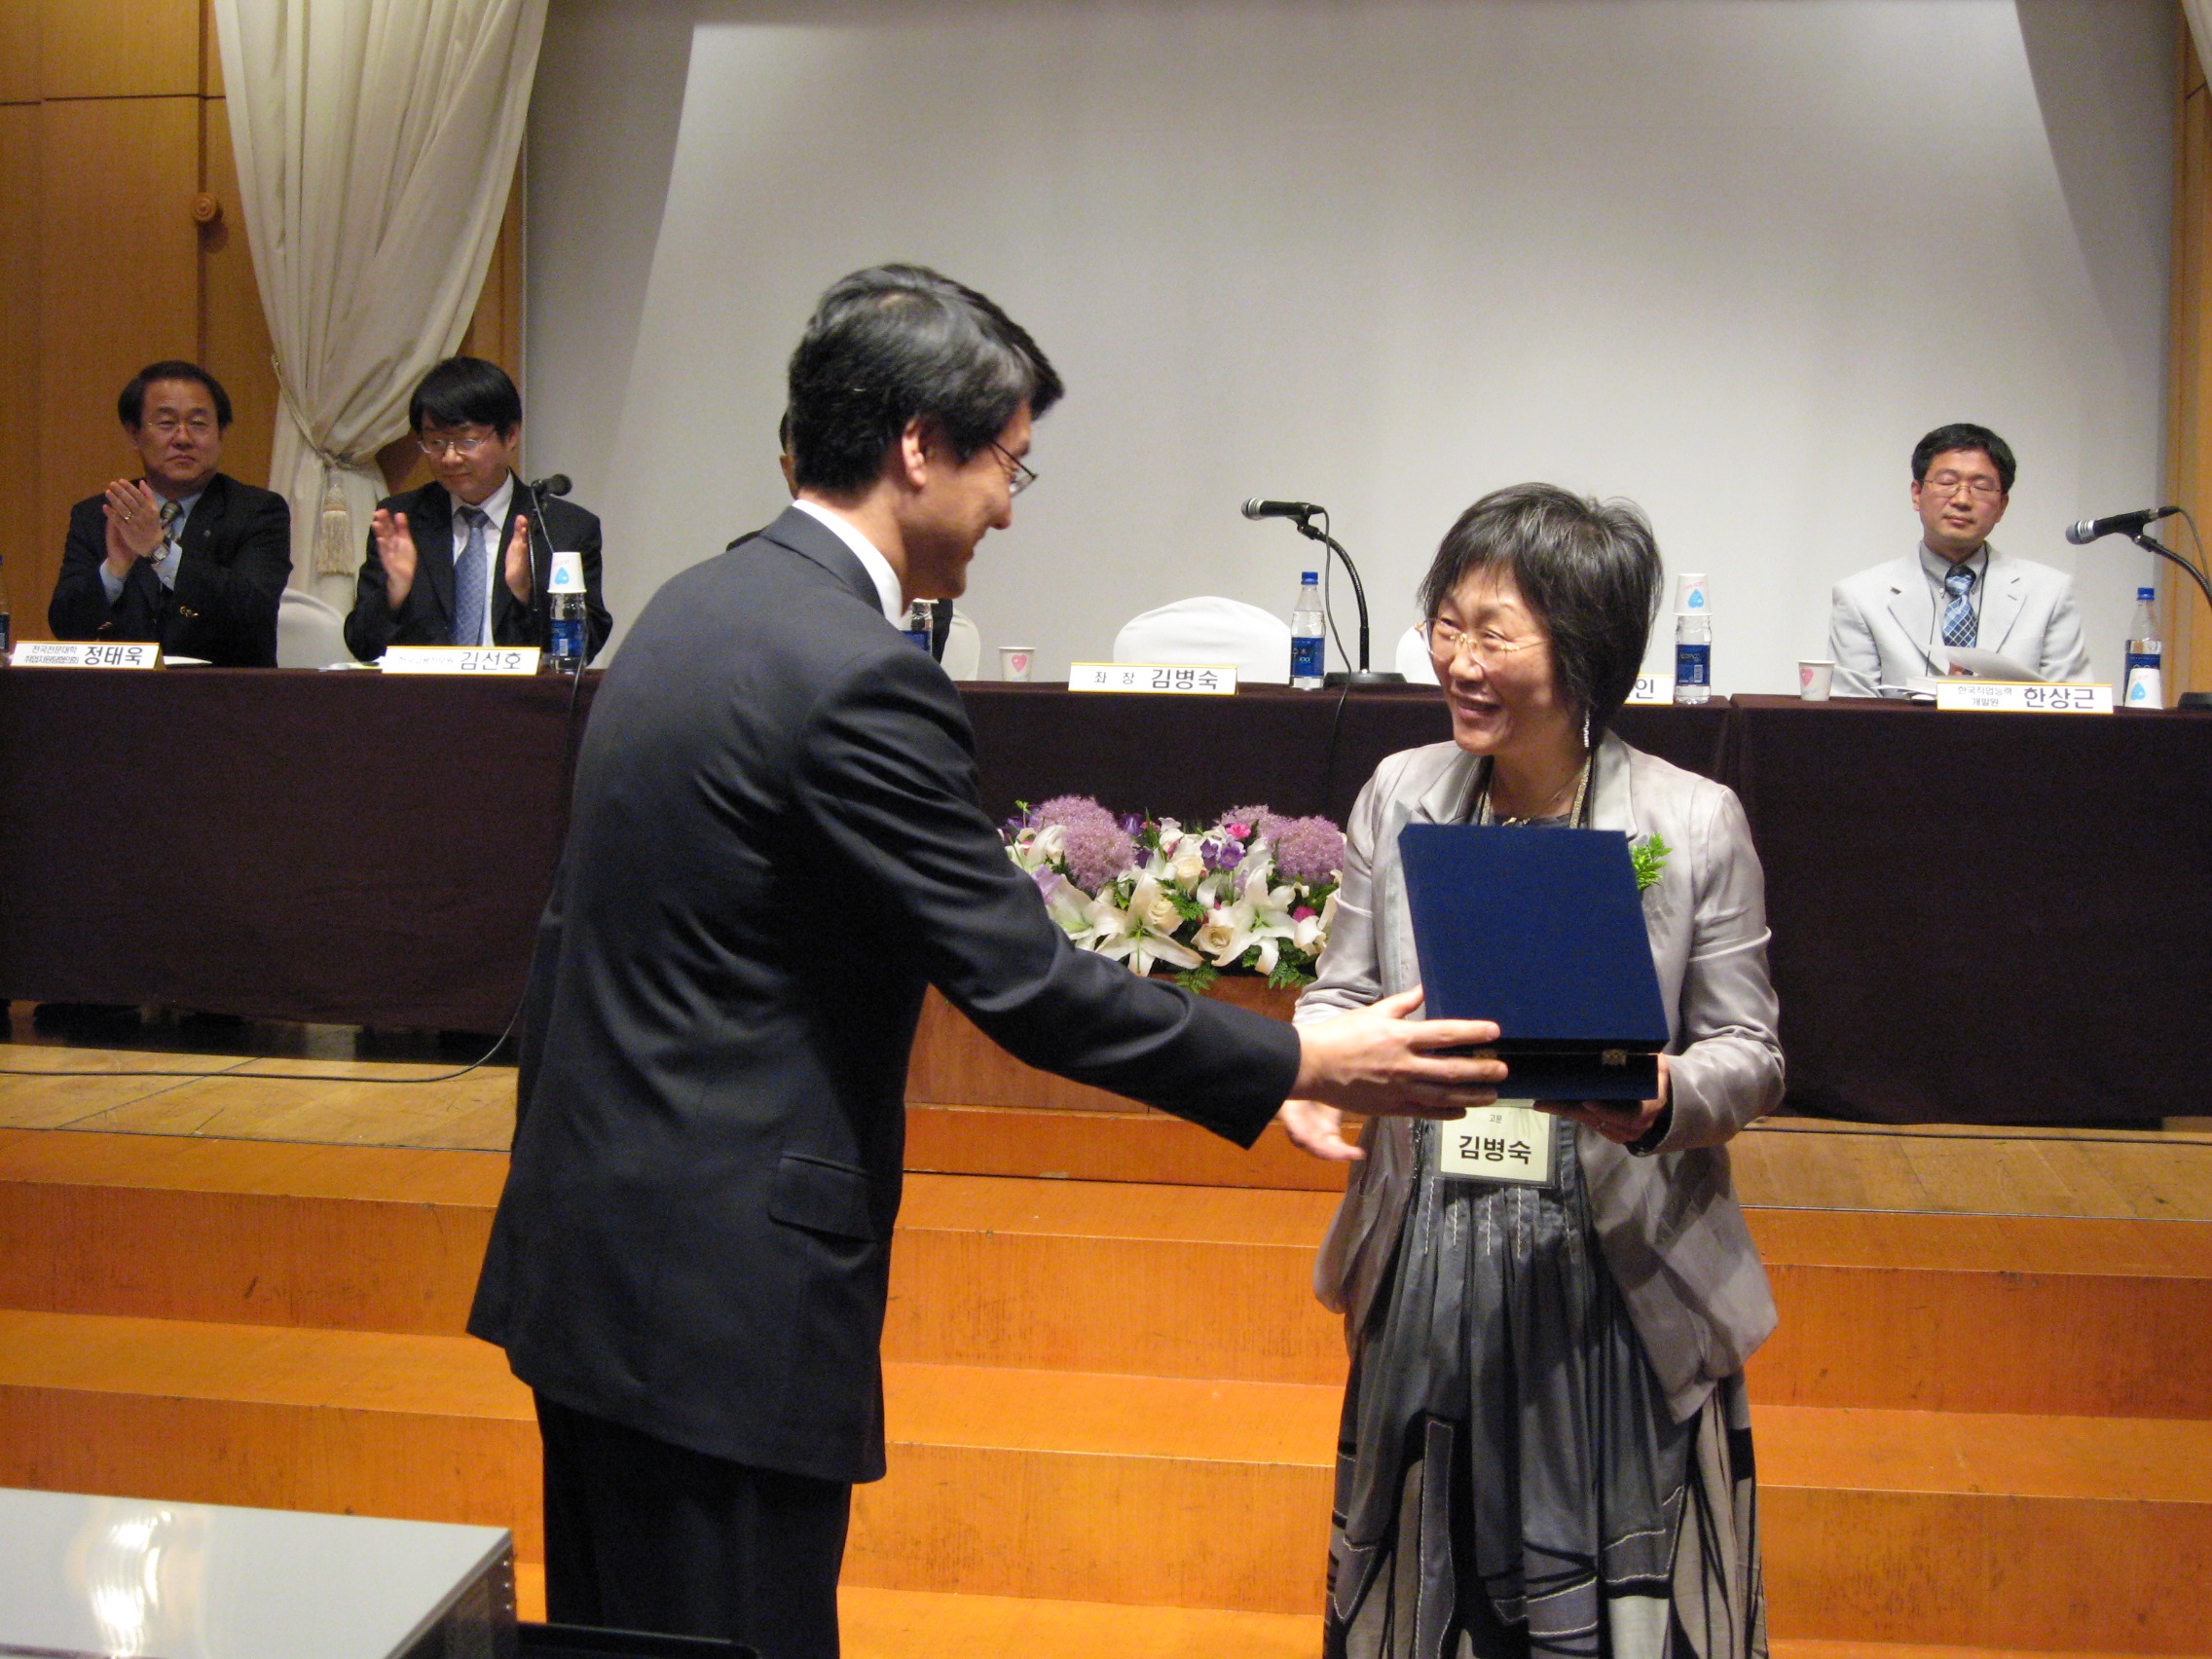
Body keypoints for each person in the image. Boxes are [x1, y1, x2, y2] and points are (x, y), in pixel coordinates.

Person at [465, 264, 1507, 1659]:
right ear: (918, 446)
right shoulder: (856, 672)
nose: (1010, 506)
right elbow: (1025, 984)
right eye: (1009, 463)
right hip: (719, 1306)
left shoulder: (693, 605)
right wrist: (1303, 1055)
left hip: (592, 1267)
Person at [1283, 484, 1784, 1659]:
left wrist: (1660, 1099)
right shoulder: (1400, 793)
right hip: (1432, 1242)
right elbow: (1338, 992)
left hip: (1612, 1263)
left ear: (1584, 651)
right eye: (1446, 624)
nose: (1459, 661)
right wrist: (1314, 1072)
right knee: (1427, 1574)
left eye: (1494, 635)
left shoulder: (1691, 820)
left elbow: (1750, 1054)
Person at [344, 356, 610, 663]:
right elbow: (360, 645)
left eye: (467, 441)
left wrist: (528, 593)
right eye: (435, 442)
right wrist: (392, 593)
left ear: (510, 436)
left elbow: (587, 644)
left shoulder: (565, 529)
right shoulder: (402, 522)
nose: (450, 458)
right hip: (424, 691)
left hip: (518, 692)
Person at [49, 360, 291, 666]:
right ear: (134, 434)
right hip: (122, 690)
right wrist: (114, 570)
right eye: (166, 423)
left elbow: (254, 612)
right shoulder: (100, 514)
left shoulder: (258, 511)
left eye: (198, 424)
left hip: (223, 689)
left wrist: (158, 551)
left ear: (221, 432)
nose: (183, 438)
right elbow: (65, 626)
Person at [1827, 423, 2091, 694]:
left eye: (1981, 487)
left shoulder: (2049, 592)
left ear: (2002, 506)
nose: (1962, 500)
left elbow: (2073, 703)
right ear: (1917, 494)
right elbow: (1852, 708)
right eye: (1947, 483)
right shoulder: (1861, 597)